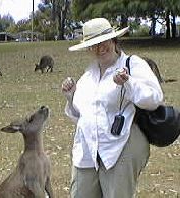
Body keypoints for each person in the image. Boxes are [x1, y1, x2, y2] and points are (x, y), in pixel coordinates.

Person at [61, 18, 163, 198]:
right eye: (94, 45)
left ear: (114, 40)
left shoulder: (132, 64)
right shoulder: (88, 76)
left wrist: (128, 83)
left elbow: (154, 98)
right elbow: (82, 116)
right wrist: (71, 97)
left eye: (103, 42)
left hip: (120, 147)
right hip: (87, 152)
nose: (100, 48)